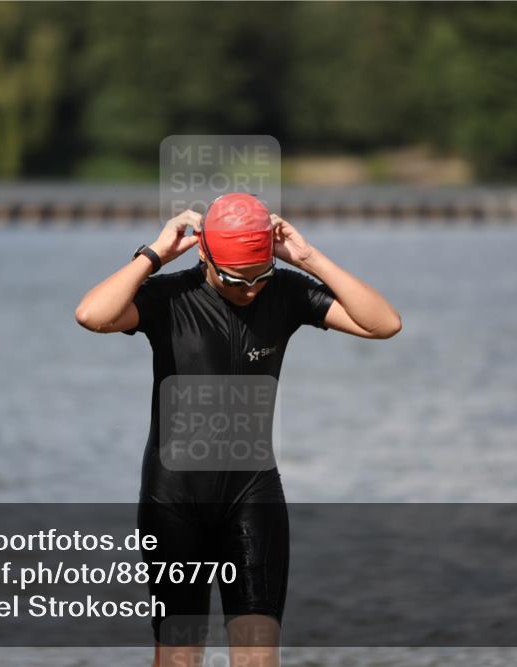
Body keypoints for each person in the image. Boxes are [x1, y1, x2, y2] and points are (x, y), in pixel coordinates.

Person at [75, 193, 401, 667]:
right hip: (174, 502)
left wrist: (308, 259)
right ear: (205, 255)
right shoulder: (170, 297)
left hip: (253, 497)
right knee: (180, 657)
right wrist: (154, 256)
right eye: (235, 279)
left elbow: (383, 324)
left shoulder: (285, 293)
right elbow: (93, 315)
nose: (249, 290)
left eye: (259, 275)